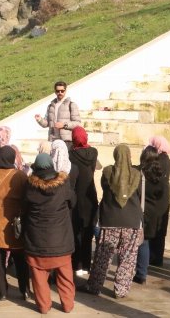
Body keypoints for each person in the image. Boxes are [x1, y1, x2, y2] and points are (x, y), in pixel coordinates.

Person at [81, 144, 143, 299]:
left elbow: (104, 188)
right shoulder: (137, 174)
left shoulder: (107, 172)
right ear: (129, 156)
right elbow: (140, 197)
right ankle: (120, 290)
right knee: (128, 257)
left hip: (110, 219)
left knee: (103, 255)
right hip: (132, 221)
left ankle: (94, 286)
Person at [23, 153, 76, 313]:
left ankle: (44, 306)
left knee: (39, 278)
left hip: (37, 241)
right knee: (65, 276)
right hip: (61, 240)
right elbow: (73, 202)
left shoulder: (30, 187)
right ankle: (67, 305)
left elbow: (23, 209)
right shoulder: (63, 184)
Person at [0, 146, 29, 301]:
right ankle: (24, 289)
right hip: (14, 222)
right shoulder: (21, 176)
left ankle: (2, 291)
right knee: (20, 258)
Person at [134, 146, 170, 285]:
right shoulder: (160, 175)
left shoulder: (139, 173)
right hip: (153, 214)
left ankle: (138, 272)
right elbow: (163, 197)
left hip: (140, 212)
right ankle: (142, 273)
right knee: (145, 242)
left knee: (140, 244)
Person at [68, 126, 99, 276]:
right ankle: (86, 264)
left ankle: (76, 264)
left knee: (76, 232)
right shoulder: (93, 153)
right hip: (90, 196)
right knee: (88, 233)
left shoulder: (71, 155)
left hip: (76, 197)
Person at [147, 135, 170, 267]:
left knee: (153, 229)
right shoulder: (166, 158)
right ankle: (157, 258)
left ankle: (154, 257)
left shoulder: (159, 160)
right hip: (164, 198)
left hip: (156, 198)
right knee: (160, 230)